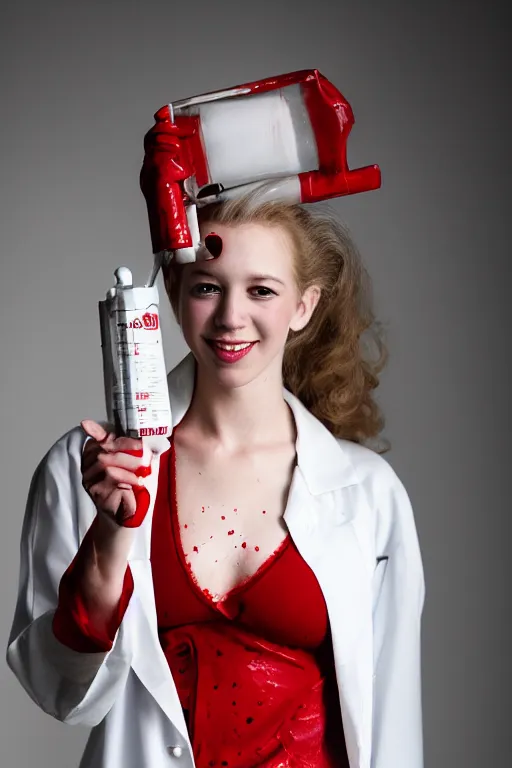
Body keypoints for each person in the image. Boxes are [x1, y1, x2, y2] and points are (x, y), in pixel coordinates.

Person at [6, 194, 425, 768]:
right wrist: (110, 535)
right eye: (207, 287)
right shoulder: (91, 469)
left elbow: (392, 724)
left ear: (303, 306)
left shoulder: (369, 494)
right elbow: (58, 691)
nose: (231, 317)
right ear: (174, 294)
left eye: (262, 290)